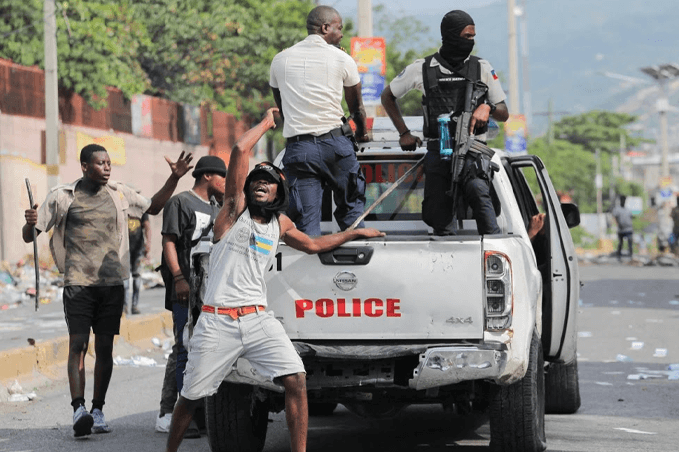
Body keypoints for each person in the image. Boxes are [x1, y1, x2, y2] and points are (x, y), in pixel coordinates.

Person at [165, 108, 384, 452]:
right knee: (191, 396)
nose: (261, 184)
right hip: (218, 320)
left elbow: (313, 245)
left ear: (279, 192)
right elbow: (240, 149)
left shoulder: (280, 224)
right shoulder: (232, 213)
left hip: (257, 319)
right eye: (256, 181)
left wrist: (353, 234)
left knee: (296, 379)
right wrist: (267, 123)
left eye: (268, 182)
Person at [22, 144, 193, 438]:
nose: (107, 167)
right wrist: (30, 223)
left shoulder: (119, 193)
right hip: (78, 283)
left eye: (109, 163)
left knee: (105, 348)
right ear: (84, 166)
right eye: (100, 163)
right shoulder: (63, 197)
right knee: (78, 345)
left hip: (112, 284)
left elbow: (153, 206)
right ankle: (79, 409)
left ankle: (97, 410)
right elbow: (30, 236)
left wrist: (174, 178)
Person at [381, 9, 509, 235]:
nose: (471, 41)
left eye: (473, 36)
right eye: (467, 36)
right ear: (450, 35)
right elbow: (387, 96)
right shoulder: (422, 68)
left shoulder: (481, 67)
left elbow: (504, 112)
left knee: (479, 192)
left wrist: (487, 107)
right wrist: (404, 133)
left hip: (473, 151)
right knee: (438, 214)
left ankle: (491, 244)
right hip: (438, 151)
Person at [269, 5, 370, 236]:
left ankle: (310, 257)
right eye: (339, 28)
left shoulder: (280, 60)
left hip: (300, 150)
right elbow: (357, 109)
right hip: (336, 147)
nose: (341, 34)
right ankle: (358, 253)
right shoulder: (342, 58)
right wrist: (362, 134)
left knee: (306, 225)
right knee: (352, 214)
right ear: (325, 28)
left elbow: (283, 107)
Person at [155, 155, 226, 437]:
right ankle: (182, 417)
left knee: (207, 350)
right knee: (186, 348)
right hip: (185, 289)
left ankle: (203, 413)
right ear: (207, 176)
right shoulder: (180, 202)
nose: (226, 182)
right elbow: (169, 242)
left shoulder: (217, 208)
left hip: (210, 293)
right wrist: (179, 278)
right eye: (222, 177)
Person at [124, 203, 150, 315]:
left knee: (136, 277)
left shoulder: (141, 207)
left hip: (138, 249)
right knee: (124, 279)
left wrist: (148, 243)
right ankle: (124, 306)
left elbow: (147, 226)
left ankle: (134, 305)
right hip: (124, 250)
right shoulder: (123, 206)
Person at [611, 195, 634, 260]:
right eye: (622, 200)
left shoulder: (627, 209)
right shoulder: (617, 209)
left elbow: (631, 217)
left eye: (624, 200)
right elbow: (614, 217)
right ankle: (619, 255)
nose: (623, 201)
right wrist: (617, 224)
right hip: (621, 229)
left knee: (630, 242)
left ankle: (630, 255)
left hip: (629, 229)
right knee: (620, 243)